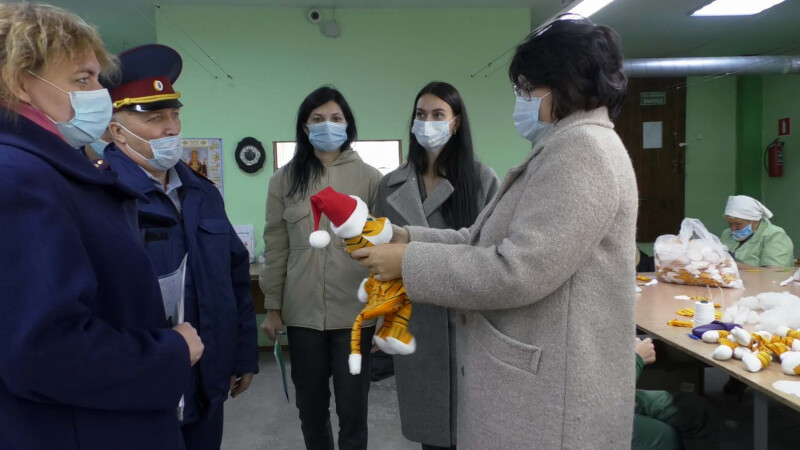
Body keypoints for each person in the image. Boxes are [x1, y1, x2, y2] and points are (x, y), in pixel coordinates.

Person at [351, 16, 637, 448]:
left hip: (554, 393)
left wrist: (406, 262)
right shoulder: (565, 146)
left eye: (527, 88)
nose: (522, 98)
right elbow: (478, 239)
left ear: (563, 83)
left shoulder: (582, 151)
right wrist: (406, 237)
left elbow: (516, 270)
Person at [0, 4, 202, 449]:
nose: (100, 94)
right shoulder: (17, 177)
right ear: (20, 83)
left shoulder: (51, 169)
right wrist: (168, 353)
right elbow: (44, 351)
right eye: (83, 79)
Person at [102, 44, 259, 450]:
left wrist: (243, 355)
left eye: (174, 115)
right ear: (117, 131)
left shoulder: (202, 193)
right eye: (155, 118)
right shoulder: (102, 195)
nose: (171, 129)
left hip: (209, 386)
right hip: (143, 392)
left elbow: (235, 279)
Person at [373, 81, 499, 450]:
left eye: (438, 114)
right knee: (431, 436)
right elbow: (380, 260)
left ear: (455, 122)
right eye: (420, 114)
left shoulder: (481, 180)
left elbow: (492, 253)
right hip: (415, 324)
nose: (427, 122)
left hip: (469, 324)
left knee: (475, 431)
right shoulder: (390, 185)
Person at [259, 86, 383, 450]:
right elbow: (276, 245)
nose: (327, 125)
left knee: (353, 412)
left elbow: (385, 250)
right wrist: (272, 307)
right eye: (317, 119)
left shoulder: (371, 179)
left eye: (335, 118)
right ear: (305, 126)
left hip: (356, 317)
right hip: (302, 316)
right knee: (311, 411)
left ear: (348, 124)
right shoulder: (284, 179)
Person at [632, 338, 721, 450]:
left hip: (617, 395)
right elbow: (616, 393)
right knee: (674, 437)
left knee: (697, 409)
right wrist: (637, 359)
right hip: (611, 417)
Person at [719, 195, 794, 269]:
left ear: (755, 221)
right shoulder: (727, 234)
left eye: (738, 224)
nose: (733, 228)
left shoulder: (775, 236)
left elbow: (774, 272)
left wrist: (733, 265)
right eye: (730, 223)